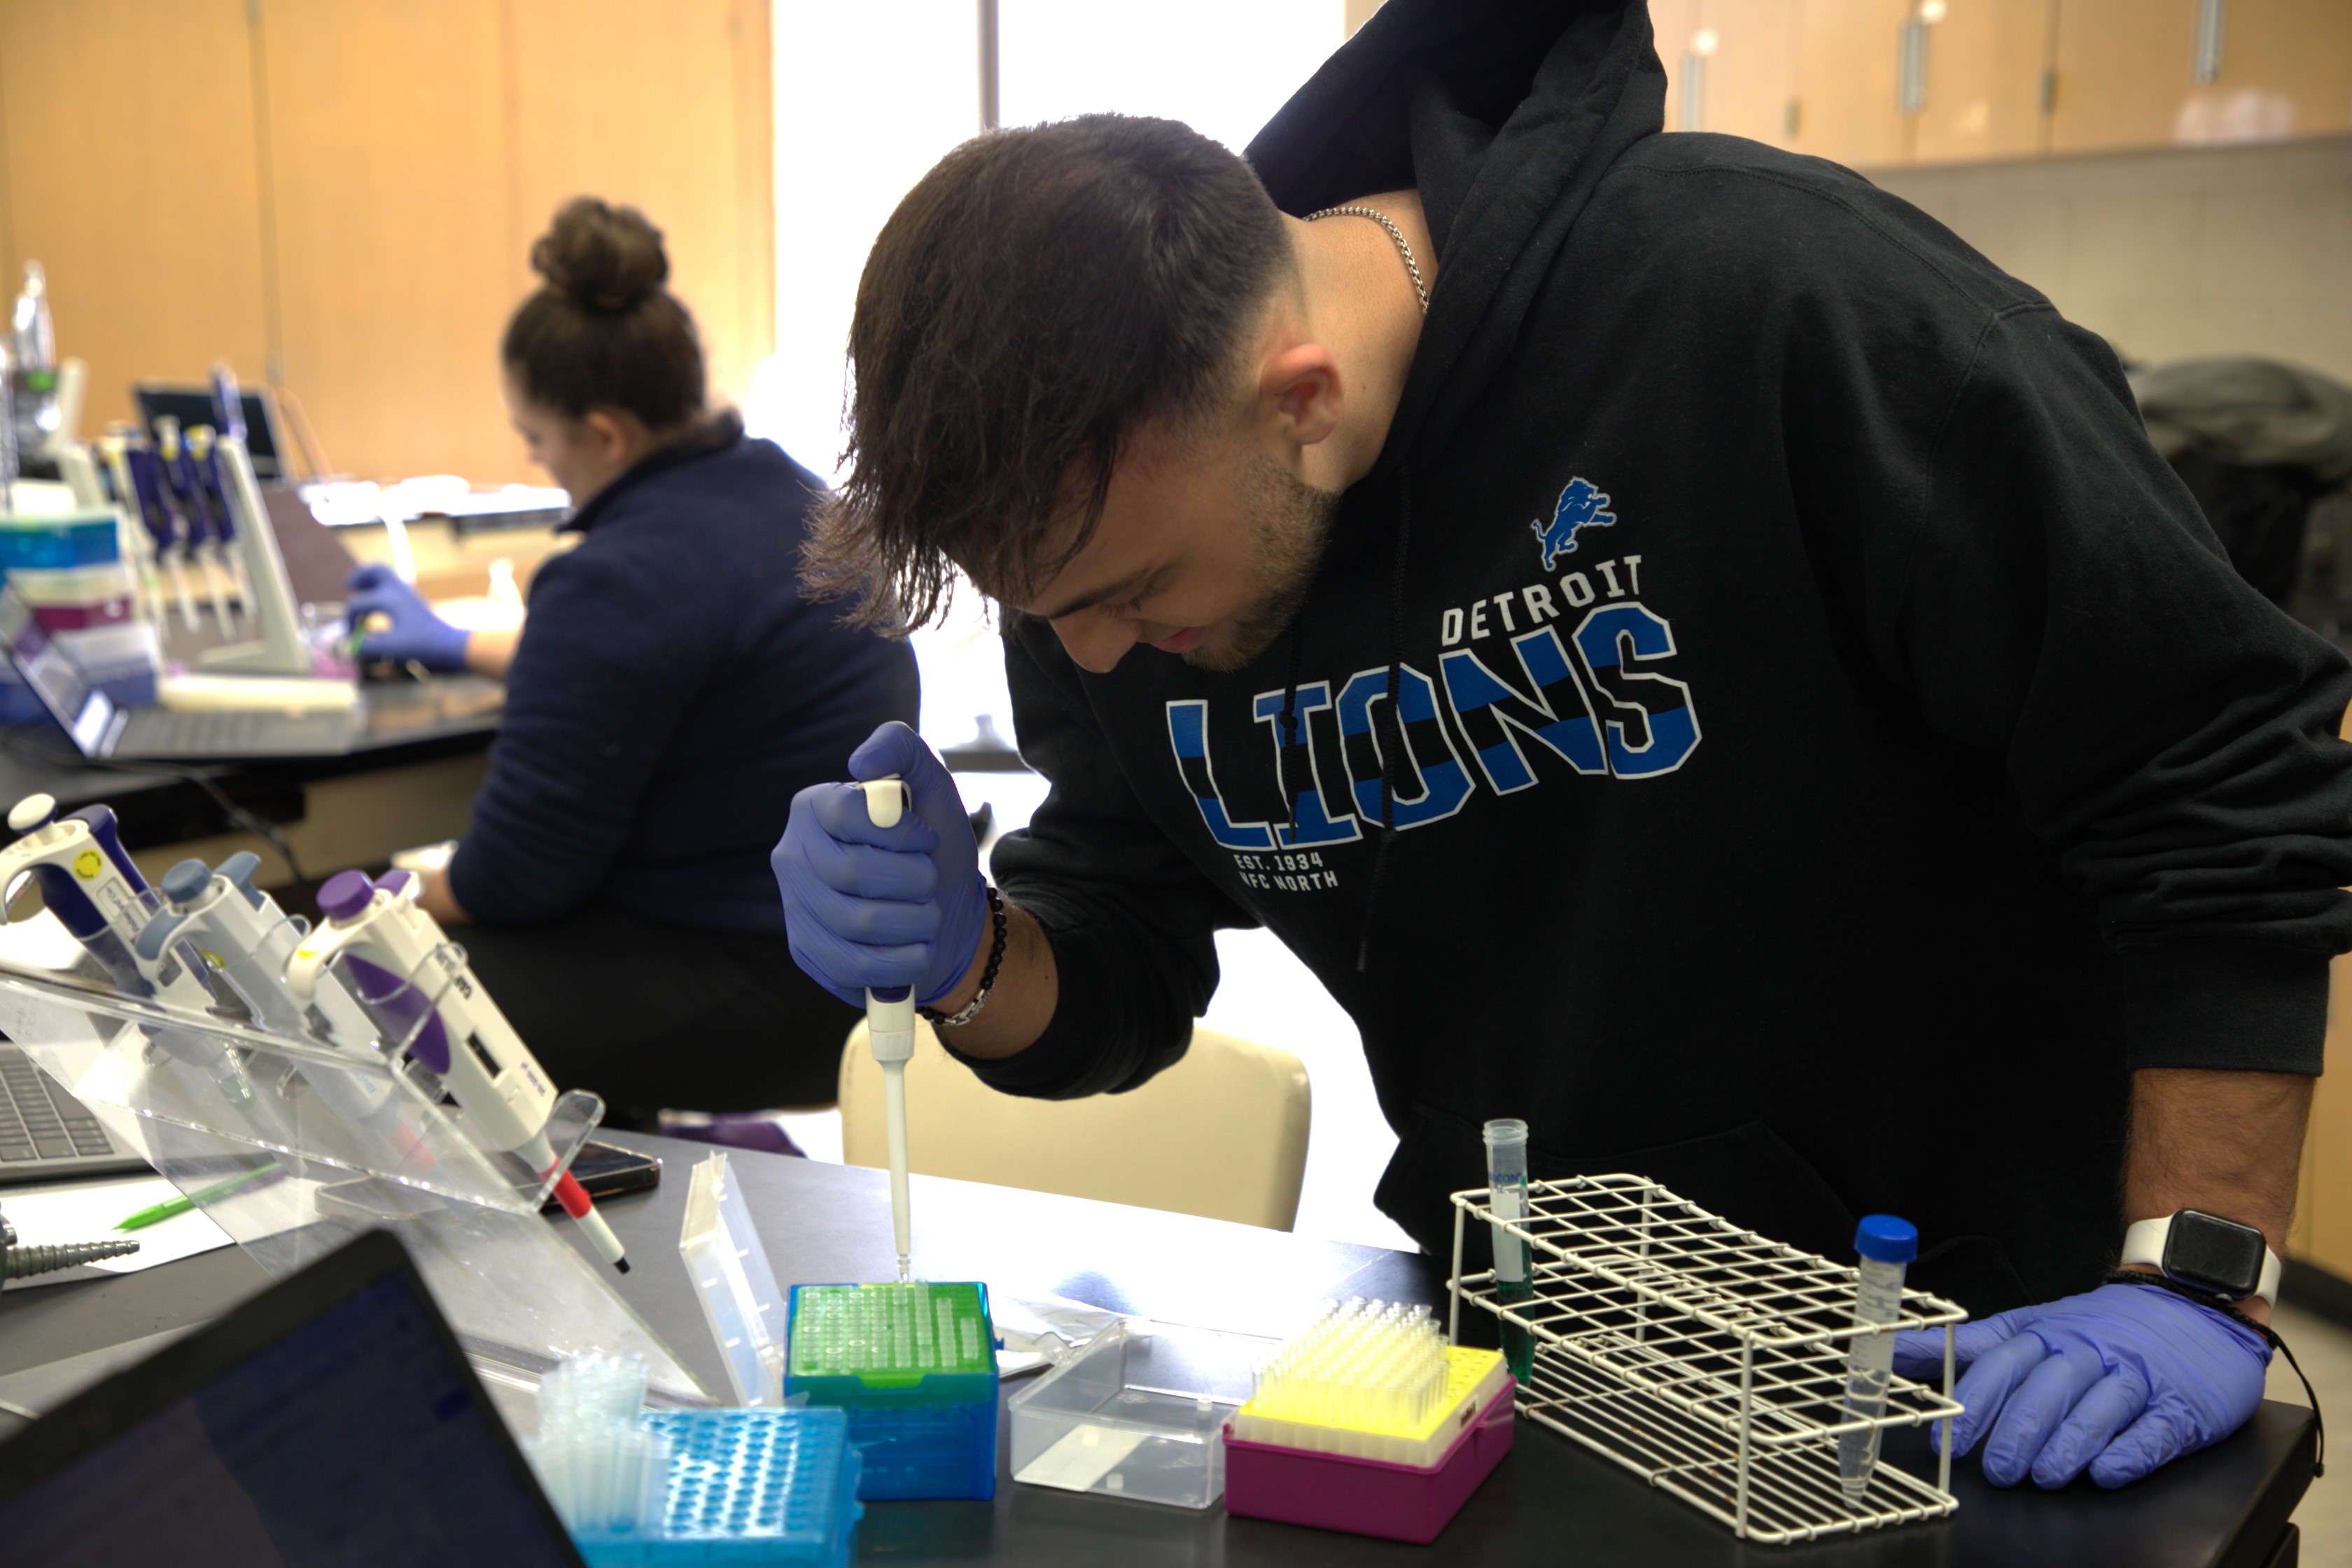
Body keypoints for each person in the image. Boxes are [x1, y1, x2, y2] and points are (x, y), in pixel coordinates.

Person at [772, 0, 2352, 1493]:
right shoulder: (1120, 538)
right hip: (1530, 1337)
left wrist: (2198, 1275)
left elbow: (2214, 750)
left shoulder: (1772, 309)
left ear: (1299, 400)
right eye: (1051, 619)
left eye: (1128, 596)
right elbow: (1123, 945)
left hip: (1976, 1358)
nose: (1101, 655)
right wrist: (970, 954)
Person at [350, 196, 918, 1115]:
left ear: (606, 433)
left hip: (758, 987)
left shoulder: (625, 575)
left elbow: (512, 882)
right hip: (856, 967)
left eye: (540, 444)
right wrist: (458, 645)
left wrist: (356, 901)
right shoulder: (789, 496)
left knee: (368, 986)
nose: (545, 468)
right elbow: (669, 668)